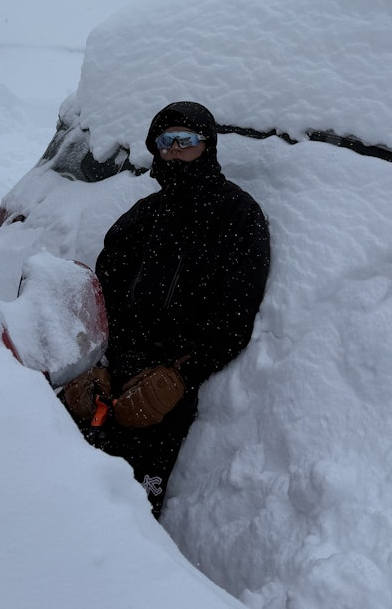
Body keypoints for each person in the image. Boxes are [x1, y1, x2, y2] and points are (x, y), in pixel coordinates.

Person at [60, 101, 270, 518]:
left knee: (128, 508)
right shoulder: (144, 215)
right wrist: (96, 360)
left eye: (184, 141)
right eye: (164, 142)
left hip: (169, 380)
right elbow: (106, 289)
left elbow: (236, 313)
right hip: (117, 367)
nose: (172, 151)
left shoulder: (238, 215)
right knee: (65, 480)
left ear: (206, 145)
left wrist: (181, 374)